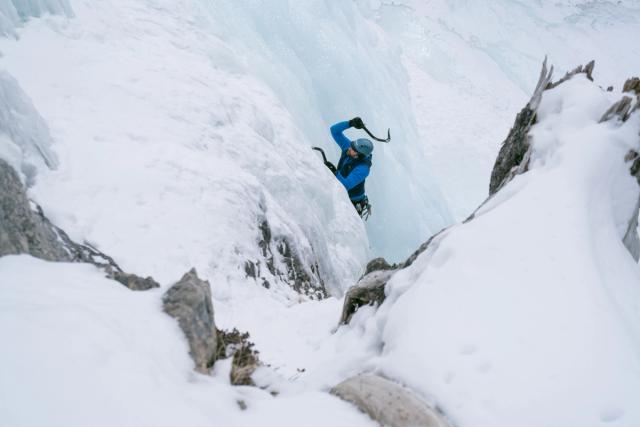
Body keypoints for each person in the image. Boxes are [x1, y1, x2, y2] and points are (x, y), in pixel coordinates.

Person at [330, 117, 373, 217]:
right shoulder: (349, 148)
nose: (349, 147)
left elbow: (346, 185)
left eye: (353, 148)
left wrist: (334, 172)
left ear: (359, 155)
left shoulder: (363, 169)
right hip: (342, 194)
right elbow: (334, 131)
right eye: (352, 145)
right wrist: (350, 123)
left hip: (352, 203)